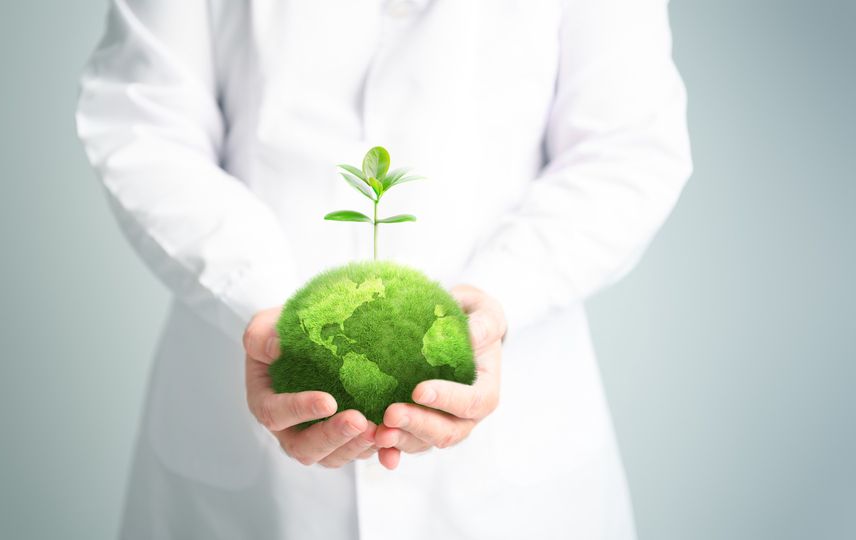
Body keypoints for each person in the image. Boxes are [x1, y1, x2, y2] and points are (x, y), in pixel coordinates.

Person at [75, 0, 691, 538]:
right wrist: (270, 314)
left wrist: (496, 299)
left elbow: (628, 145)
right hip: (246, 463)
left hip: (513, 466)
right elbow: (144, 122)